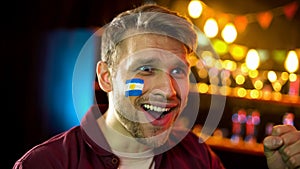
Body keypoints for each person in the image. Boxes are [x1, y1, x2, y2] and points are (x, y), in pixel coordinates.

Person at [13, 3, 300, 169]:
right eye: (146, 68)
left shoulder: (197, 157)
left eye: (178, 70)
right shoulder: (46, 164)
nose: (169, 90)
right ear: (106, 78)